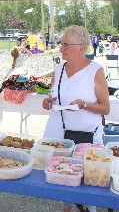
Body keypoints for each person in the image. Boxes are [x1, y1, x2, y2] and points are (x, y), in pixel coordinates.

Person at [42, 25, 110, 212]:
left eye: (66, 44)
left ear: (82, 47)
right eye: (61, 44)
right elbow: (54, 95)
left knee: (89, 181)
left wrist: (85, 105)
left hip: (87, 137)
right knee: (62, 178)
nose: (61, 49)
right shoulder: (58, 70)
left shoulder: (95, 71)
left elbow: (106, 108)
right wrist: (48, 101)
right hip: (60, 135)